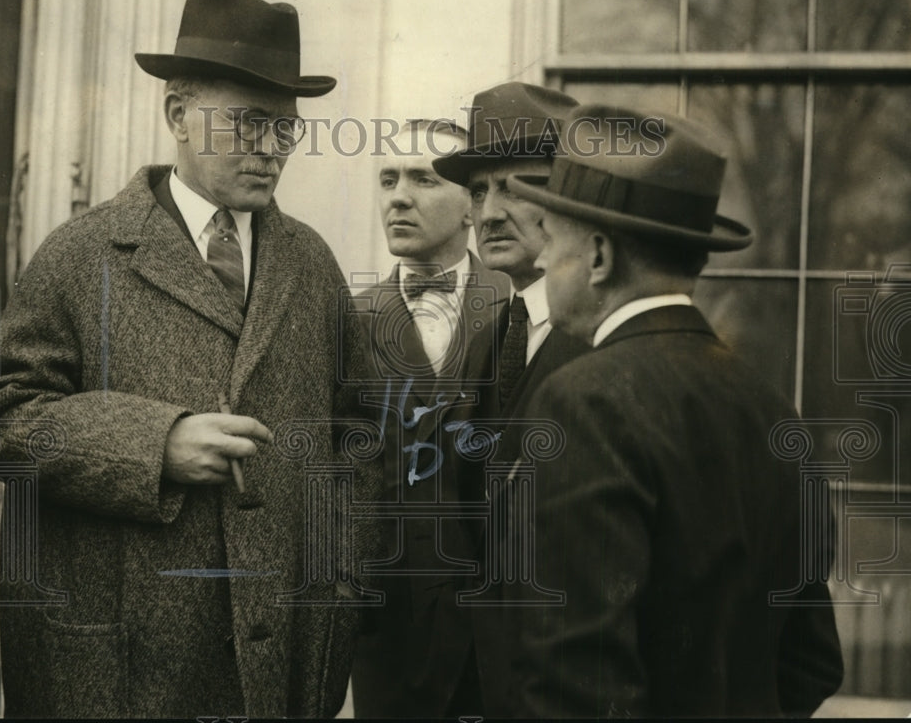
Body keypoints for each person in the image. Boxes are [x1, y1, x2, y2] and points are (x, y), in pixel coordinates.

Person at [0, 0, 378, 719]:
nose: (270, 148)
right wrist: (154, 445)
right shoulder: (80, 252)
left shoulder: (311, 263)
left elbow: (358, 437)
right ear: (177, 114)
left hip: (274, 660)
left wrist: (335, 591)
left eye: (286, 130)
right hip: (115, 669)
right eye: (248, 122)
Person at [500, 103, 845, 716]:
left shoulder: (582, 402)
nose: (545, 262)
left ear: (600, 257)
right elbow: (812, 662)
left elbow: (578, 684)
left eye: (553, 241)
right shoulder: (773, 411)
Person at [431, 82, 592, 716]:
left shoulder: (606, 347)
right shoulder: (488, 340)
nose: (490, 212)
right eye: (478, 189)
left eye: (519, 187)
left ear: (572, 197)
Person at [350, 119, 508, 718]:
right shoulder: (347, 318)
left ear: (472, 205)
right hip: (386, 629)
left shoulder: (519, 309)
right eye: (388, 179)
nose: (398, 196)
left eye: (422, 178)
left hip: (499, 626)